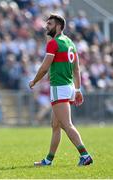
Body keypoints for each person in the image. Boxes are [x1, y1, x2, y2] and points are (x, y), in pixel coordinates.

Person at [29, 14, 93, 166]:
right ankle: (48, 160)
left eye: (49, 24)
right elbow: (77, 69)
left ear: (58, 26)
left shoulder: (54, 43)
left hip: (59, 87)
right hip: (69, 87)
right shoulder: (70, 42)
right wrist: (77, 89)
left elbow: (44, 68)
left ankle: (85, 155)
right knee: (55, 125)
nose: (47, 26)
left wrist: (34, 81)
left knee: (66, 125)